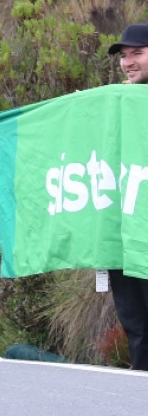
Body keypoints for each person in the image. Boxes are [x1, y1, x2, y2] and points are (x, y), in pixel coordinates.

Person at [106, 22, 148, 371]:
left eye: (137, 53)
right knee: (136, 325)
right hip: (122, 231)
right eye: (124, 56)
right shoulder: (114, 101)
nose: (128, 62)